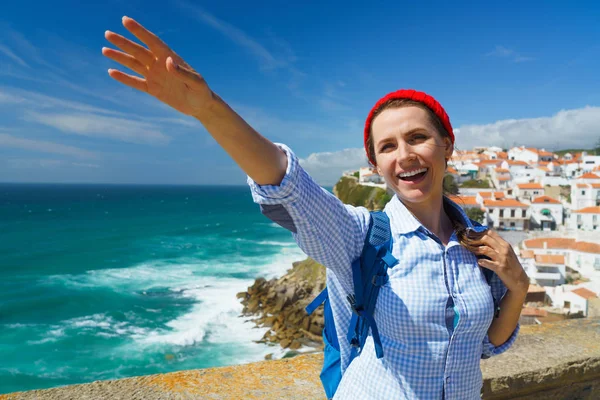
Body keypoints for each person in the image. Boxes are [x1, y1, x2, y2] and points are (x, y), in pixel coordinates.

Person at [103, 16, 529, 399]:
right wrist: (209, 110)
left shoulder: (479, 242)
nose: (404, 155)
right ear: (375, 164)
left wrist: (518, 288)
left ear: (446, 145)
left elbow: (486, 345)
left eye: (417, 138)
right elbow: (288, 187)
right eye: (387, 147)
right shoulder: (362, 235)